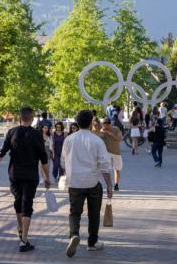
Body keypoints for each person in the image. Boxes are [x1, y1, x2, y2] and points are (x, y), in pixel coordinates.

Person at [0, 107, 51, 253]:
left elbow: (0, 152)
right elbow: (44, 158)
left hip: (14, 174)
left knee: (18, 202)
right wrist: (47, 177)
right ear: (31, 119)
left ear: (19, 118)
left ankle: (20, 229)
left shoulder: (11, 132)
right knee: (27, 204)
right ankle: (24, 239)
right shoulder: (37, 134)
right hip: (30, 175)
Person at [62, 109, 113, 257]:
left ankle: (74, 235)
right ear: (91, 122)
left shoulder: (69, 140)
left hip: (75, 182)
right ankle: (92, 242)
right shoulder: (96, 140)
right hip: (92, 182)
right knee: (94, 213)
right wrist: (109, 185)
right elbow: (104, 165)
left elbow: (63, 162)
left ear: (77, 122)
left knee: (74, 212)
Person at [99, 118, 123, 192]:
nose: (106, 127)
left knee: (117, 169)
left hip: (116, 152)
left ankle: (116, 184)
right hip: (107, 152)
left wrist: (110, 134)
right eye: (104, 125)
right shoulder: (102, 130)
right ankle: (109, 184)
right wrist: (102, 132)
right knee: (106, 169)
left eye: (107, 126)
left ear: (110, 124)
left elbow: (119, 139)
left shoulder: (116, 129)